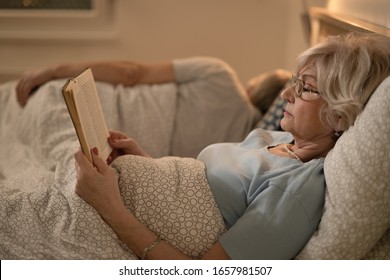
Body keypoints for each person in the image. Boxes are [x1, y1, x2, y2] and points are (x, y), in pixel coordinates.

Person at [17, 32, 390, 259]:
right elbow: (202, 192)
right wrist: (143, 161)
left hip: (100, 216)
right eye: (294, 80)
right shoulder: (274, 140)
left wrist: (110, 205)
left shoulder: (297, 189)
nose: (287, 92)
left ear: (341, 115)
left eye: (305, 87)